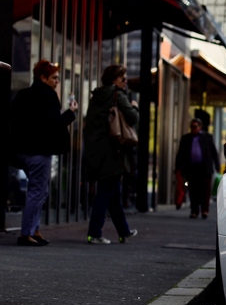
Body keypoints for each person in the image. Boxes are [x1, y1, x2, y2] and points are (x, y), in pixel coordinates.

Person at [8, 59, 78, 246]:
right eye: (54, 78)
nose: (57, 81)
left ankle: (34, 229)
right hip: (39, 152)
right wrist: (71, 112)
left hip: (21, 152)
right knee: (38, 192)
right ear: (43, 77)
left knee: (39, 190)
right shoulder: (48, 96)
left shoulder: (23, 95)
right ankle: (27, 233)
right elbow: (54, 126)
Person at [83, 64, 139, 244]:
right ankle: (95, 233)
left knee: (113, 192)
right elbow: (132, 118)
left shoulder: (96, 96)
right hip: (113, 151)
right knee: (106, 192)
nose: (125, 81)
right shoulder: (117, 95)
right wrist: (134, 107)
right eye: (122, 78)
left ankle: (124, 231)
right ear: (114, 80)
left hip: (96, 150)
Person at [175, 118, 221, 219]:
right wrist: (178, 168)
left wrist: (217, 166)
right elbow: (180, 154)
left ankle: (205, 210)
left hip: (205, 168)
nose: (193, 129)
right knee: (193, 190)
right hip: (191, 168)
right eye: (191, 126)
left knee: (205, 190)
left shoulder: (207, 137)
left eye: (195, 126)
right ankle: (194, 211)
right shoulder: (186, 138)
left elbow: (214, 153)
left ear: (200, 127)